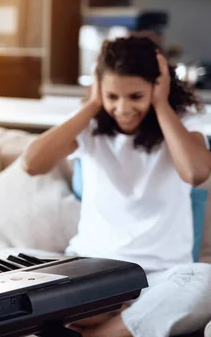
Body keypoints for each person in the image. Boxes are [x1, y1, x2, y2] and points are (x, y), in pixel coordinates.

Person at [22, 37, 211, 337]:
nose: (122, 108)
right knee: (5, 264)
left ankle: (96, 331)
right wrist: (94, 103)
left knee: (206, 281)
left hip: (159, 277)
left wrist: (161, 105)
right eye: (113, 96)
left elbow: (195, 172)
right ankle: (121, 320)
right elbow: (31, 164)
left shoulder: (185, 122)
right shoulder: (92, 125)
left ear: (158, 85)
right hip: (90, 270)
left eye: (135, 96)